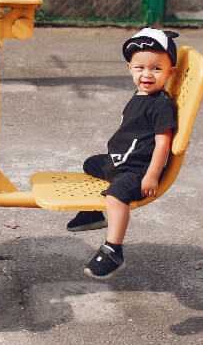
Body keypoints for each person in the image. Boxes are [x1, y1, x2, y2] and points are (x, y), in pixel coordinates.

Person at [67, 28, 178, 280]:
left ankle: (113, 250)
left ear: (170, 72)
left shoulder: (161, 104)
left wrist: (151, 175)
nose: (147, 74)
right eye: (140, 68)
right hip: (119, 163)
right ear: (130, 68)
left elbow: (163, 143)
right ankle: (93, 215)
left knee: (116, 196)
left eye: (156, 69)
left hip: (137, 171)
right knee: (90, 164)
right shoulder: (141, 94)